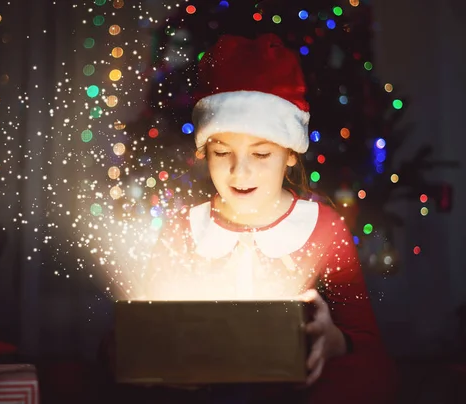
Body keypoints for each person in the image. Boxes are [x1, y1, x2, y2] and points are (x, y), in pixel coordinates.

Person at [139, 33, 399, 404]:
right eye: (222, 151)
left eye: (260, 154)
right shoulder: (184, 228)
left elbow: (365, 345)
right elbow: (135, 337)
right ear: (204, 151)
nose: (239, 172)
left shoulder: (323, 228)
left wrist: (330, 340)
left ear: (290, 154)